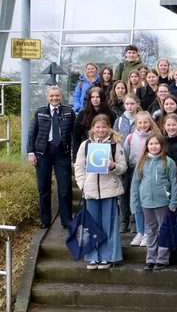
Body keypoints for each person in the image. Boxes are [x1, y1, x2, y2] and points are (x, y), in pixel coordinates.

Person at [73, 114, 127, 269]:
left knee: (109, 225)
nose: (101, 130)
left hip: (109, 191)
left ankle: (108, 256)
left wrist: (113, 166)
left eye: (104, 127)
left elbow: (123, 167)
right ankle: (93, 256)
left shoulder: (115, 144)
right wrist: (83, 185)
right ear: (93, 128)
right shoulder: (86, 145)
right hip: (91, 192)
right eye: (98, 127)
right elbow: (79, 167)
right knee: (92, 226)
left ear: (109, 128)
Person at [28, 86, 77, 229]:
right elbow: (32, 134)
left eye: (57, 96)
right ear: (47, 97)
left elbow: (75, 134)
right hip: (43, 153)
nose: (54, 98)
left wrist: (75, 155)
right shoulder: (40, 112)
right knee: (43, 188)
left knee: (65, 188)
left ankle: (67, 220)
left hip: (63, 153)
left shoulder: (69, 111)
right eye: (52, 96)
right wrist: (31, 153)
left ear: (61, 96)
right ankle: (45, 219)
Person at [130, 133, 177, 271]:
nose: (153, 146)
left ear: (162, 146)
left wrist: (173, 201)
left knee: (162, 230)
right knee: (150, 231)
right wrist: (134, 203)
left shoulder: (168, 162)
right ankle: (150, 258)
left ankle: (162, 258)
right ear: (147, 146)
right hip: (146, 203)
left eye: (156, 144)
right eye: (151, 144)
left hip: (163, 202)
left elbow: (174, 183)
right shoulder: (141, 162)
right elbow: (135, 184)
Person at [123, 111, 158, 245]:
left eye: (145, 122)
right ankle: (139, 231)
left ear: (150, 123)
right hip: (133, 171)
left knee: (147, 202)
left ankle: (148, 232)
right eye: (140, 123)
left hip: (149, 170)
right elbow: (125, 154)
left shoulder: (154, 137)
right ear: (135, 124)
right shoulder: (131, 137)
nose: (143, 125)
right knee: (135, 201)